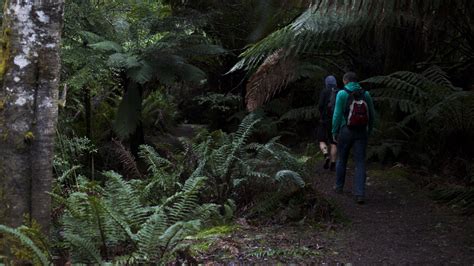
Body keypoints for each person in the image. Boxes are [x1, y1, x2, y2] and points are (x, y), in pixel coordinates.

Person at [332, 72, 375, 204]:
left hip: (346, 131)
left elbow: (337, 114)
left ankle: (339, 186)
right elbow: (372, 114)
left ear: (346, 81)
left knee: (342, 158)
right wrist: (370, 130)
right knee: (360, 162)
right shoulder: (366, 94)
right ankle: (359, 194)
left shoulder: (342, 94)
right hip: (361, 132)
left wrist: (334, 131)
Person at [317, 75, 339, 171]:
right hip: (335, 120)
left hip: (324, 120)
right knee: (334, 142)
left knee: (322, 140)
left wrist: (321, 114)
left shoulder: (324, 91)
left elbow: (320, 105)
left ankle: (326, 155)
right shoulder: (339, 92)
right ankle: (333, 163)